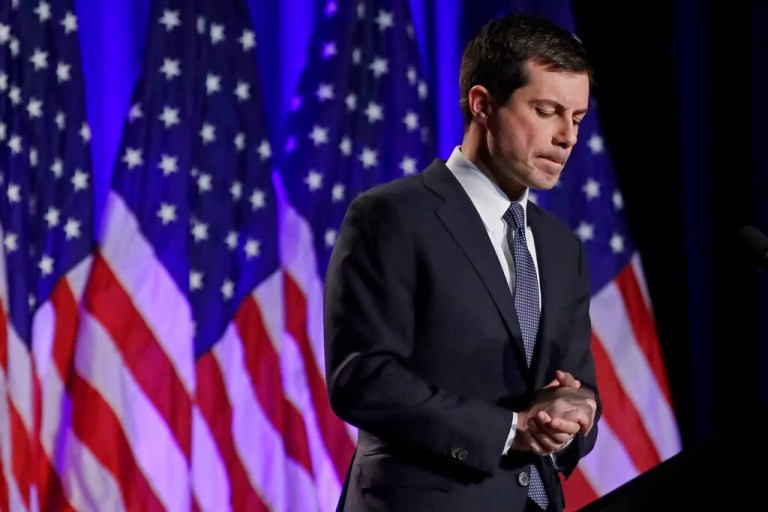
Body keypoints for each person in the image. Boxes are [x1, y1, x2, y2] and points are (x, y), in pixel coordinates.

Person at [324, 12, 601, 512]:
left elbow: (580, 388)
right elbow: (362, 378)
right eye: (546, 111)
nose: (567, 137)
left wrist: (577, 413)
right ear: (482, 105)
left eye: (577, 118)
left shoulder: (563, 249)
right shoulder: (392, 216)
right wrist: (510, 431)